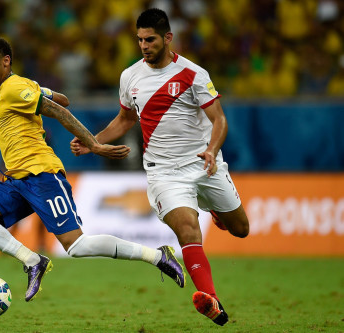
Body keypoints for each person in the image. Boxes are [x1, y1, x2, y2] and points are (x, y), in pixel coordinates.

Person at [0, 35, 186, 303]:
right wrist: (39, 89)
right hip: (17, 181)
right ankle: (33, 261)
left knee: (77, 246)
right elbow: (64, 99)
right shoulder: (20, 86)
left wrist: (95, 144)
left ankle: (158, 256)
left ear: (6, 61)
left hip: (42, 175)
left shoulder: (12, 88)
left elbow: (60, 111)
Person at [71, 8, 250, 326]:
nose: (143, 45)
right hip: (164, 172)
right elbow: (126, 119)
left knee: (241, 229)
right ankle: (212, 301)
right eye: (139, 40)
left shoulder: (194, 74)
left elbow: (219, 119)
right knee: (188, 230)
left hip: (203, 163)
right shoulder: (130, 76)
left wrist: (211, 150)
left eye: (150, 39)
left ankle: (218, 213)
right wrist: (93, 141)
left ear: (168, 38)